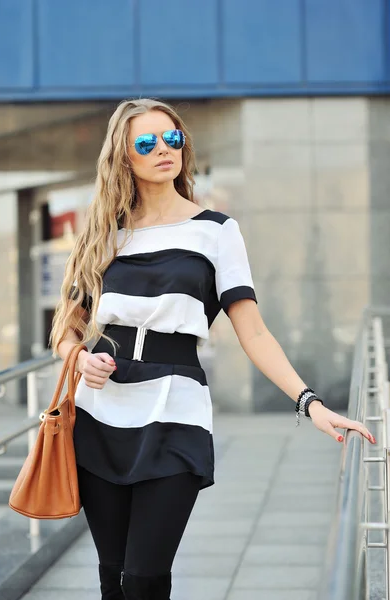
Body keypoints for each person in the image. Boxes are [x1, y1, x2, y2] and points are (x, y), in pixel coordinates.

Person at [50, 98, 375, 600]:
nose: (164, 149)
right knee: (111, 578)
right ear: (123, 157)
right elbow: (65, 330)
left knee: (143, 577)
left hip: (175, 416)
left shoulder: (217, 231)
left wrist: (310, 403)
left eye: (173, 137)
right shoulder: (103, 234)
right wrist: (80, 359)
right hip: (102, 415)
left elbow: (254, 332)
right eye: (147, 142)